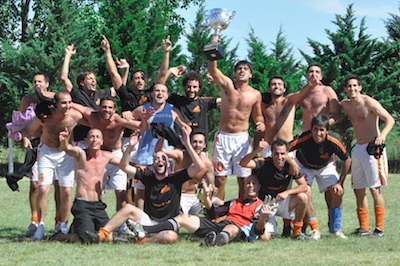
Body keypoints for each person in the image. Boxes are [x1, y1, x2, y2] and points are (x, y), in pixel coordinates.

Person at [84, 126, 206, 244]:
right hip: (147, 221)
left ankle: (142, 240)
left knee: (171, 236)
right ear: (153, 164)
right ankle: (101, 235)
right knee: (128, 208)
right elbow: (123, 166)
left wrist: (187, 145)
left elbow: (199, 166)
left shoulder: (176, 178)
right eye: (157, 159)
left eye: (163, 159)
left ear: (168, 164)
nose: (160, 161)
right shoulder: (147, 177)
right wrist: (130, 146)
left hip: (167, 224)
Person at [15, 91, 85, 240]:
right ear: (56, 104)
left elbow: (94, 118)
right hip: (46, 152)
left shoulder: (75, 116)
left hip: (66, 153)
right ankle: (40, 225)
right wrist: (17, 134)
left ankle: (63, 225)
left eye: (70, 102)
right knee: (44, 188)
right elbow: (27, 130)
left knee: (66, 191)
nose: (67, 106)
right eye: (64, 103)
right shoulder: (45, 116)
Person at [126, 175, 271, 246]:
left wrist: (263, 218)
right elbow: (213, 214)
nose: (250, 186)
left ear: (258, 187)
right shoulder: (234, 202)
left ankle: (211, 243)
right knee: (183, 217)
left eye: (254, 183)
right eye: (248, 183)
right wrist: (207, 197)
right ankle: (145, 229)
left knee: (231, 227)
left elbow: (258, 231)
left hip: (238, 231)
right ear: (243, 186)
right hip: (220, 226)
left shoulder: (261, 206)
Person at [71, 97, 151, 213]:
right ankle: (92, 216)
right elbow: (71, 103)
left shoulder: (118, 120)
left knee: (120, 191)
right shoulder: (92, 115)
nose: (106, 110)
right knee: (94, 190)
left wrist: (144, 120)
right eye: (104, 107)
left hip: (115, 154)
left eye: (110, 107)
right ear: (99, 108)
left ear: (114, 109)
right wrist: (47, 96)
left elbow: (143, 127)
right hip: (98, 154)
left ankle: (122, 225)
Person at [340, 74, 395, 237]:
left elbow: (389, 119)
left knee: (374, 189)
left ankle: (379, 228)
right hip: (358, 148)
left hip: (373, 148)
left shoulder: (369, 102)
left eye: (355, 86)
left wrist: (382, 135)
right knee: (358, 188)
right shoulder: (345, 104)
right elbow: (332, 107)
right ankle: (364, 227)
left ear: (360, 87)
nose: (352, 89)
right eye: (349, 86)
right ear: (345, 89)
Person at [48, 128, 121, 243]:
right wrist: (64, 141)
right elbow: (67, 148)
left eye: (97, 137)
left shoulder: (107, 156)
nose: (94, 139)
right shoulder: (80, 154)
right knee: (86, 240)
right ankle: (62, 236)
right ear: (87, 140)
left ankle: (76, 227)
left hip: (98, 205)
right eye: (91, 136)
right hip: (83, 205)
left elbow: (125, 164)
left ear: (102, 141)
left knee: (108, 238)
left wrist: (138, 166)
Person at [7, 72, 56, 237]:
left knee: (55, 185)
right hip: (34, 143)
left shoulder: (53, 98)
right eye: (34, 81)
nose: (37, 84)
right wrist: (24, 139)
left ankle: (58, 221)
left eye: (40, 81)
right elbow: (21, 121)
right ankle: (34, 220)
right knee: (35, 184)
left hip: (52, 143)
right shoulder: (27, 100)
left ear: (47, 84)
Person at [208, 59, 265, 200]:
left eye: (246, 69)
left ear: (250, 74)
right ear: (235, 72)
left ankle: (240, 213)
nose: (242, 71)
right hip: (223, 137)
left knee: (244, 179)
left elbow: (258, 115)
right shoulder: (228, 86)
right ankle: (218, 212)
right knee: (220, 179)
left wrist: (260, 123)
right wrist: (213, 52)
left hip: (242, 139)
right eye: (239, 68)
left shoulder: (255, 94)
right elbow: (213, 71)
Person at [289, 114, 351, 239]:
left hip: (325, 167)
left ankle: (335, 230)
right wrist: (292, 162)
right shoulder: (304, 138)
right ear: (311, 129)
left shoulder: (334, 141)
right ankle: (314, 229)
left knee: (336, 192)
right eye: (315, 129)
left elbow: (347, 159)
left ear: (327, 131)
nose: (318, 133)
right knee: (305, 191)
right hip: (305, 165)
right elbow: (286, 148)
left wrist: (340, 182)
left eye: (322, 130)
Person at [240, 139, 310, 240]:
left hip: (281, 202)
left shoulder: (290, 166)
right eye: (276, 154)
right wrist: (256, 150)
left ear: (287, 154)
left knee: (303, 197)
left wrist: (287, 192)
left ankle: (297, 232)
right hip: (264, 205)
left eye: (282, 154)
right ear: (271, 154)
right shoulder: (264, 163)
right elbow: (243, 163)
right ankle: (269, 224)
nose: (279, 157)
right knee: (264, 238)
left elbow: (304, 186)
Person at [156, 35, 220, 141]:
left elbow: (228, 101)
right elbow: (159, 87)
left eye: (195, 87)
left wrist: (218, 81)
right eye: (189, 87)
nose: (192, 90)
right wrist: (169, 71)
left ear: (199, 88)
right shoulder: (177, 100)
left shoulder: (205, 102)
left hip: (199, 146)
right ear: (185, 87)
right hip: (180, 144)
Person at [60, 44, 114, 148]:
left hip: (99, 139)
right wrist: (68, 55)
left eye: (94, 79)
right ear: (82, 83)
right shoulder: (76, 93)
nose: (94, 81)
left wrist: (125, 71)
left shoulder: (101, 94)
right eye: (90, 79)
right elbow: (63, 78)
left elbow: (119, 88)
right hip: (82, 140)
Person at [255, 76, 319, 157]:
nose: (277, 86)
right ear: (269, 88)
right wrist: (255, 150)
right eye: (273, 84)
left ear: (284, 89)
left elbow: (299, 94)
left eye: (279, 84)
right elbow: (259, 127)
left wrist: (310, 84)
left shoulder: (289, 101)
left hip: (287, 147)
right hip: (269, 147)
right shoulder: (264, 106)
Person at [155, 129, 214, 215]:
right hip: (180, 195)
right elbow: (159, 150)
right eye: (194, 142)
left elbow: (212, 184)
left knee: (217, 204)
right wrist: (164, 135)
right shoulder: (181, 155)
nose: (197, 145)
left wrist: (208, 188)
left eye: (200, 142)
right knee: (179, 215)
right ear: (189, 142)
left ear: (204, 145)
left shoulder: (207, 163)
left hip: (196, 197)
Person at [299, 63, 341, 131]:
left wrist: (325, 124)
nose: (314, 74)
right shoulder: (301, 93)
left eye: (317, 72)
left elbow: (337, 113)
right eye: (311, 71)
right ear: (306, 76)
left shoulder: (327, 90)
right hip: (305, 133)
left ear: (321, 76)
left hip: (322, 134)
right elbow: (289, 104)